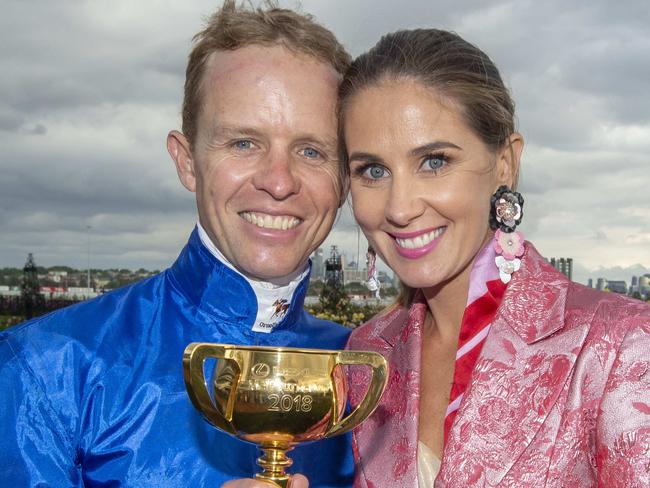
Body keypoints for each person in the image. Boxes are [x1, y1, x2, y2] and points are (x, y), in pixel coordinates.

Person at [0, 2, 354, 486]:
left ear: (344, 180)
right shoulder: (48, 368)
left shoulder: (366, 372)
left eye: (312, 151)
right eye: (243, 143)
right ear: (187, 161)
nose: (278, 181)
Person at [339, 29, 650, 487]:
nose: (399, 207)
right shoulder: (367, 355)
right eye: (373, 170)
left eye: (434, 161)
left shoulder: (620, 346)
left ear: (505, 162)